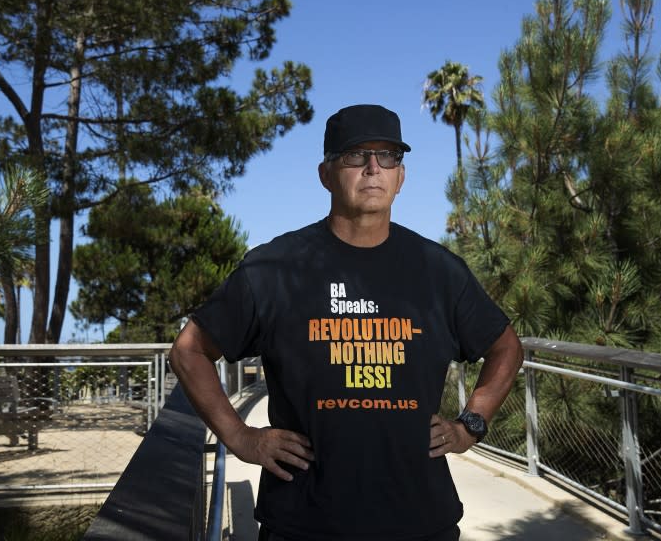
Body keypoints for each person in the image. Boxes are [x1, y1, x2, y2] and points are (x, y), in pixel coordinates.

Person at [169, 104, 524, 541]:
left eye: (388, 156)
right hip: (304, 524)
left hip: (420, 522)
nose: (373, 168)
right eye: (356, 155)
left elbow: (506, 347)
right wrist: (241, 437)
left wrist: (471, 424)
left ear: (401, 176)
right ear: (326, 174)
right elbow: (189, 350)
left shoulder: (439, 271)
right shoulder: (274, 267)